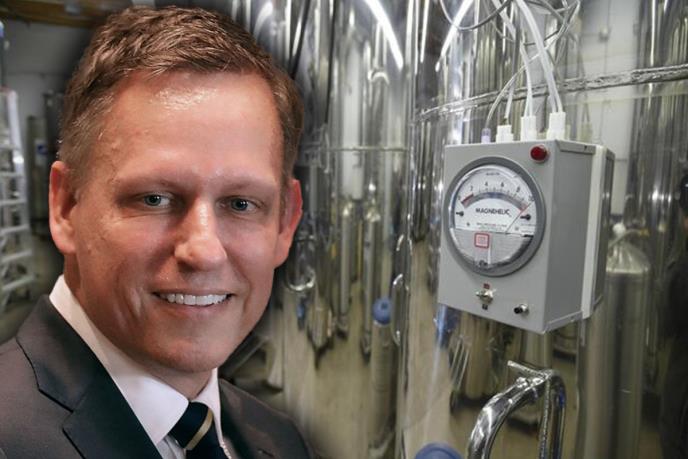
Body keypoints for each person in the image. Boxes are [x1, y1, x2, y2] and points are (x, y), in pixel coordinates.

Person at [0, 6, 311, 458]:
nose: (204, 251)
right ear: (66, 207)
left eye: (241, 204)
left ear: (285, 223)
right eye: (154, 199)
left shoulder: (281, 441)